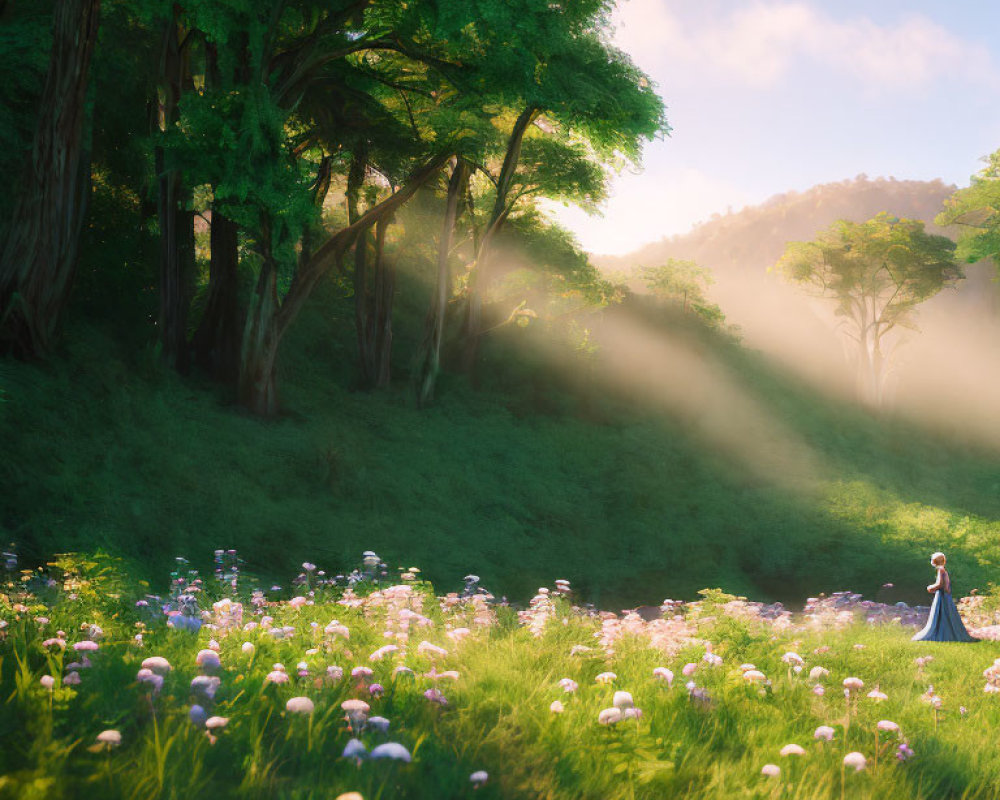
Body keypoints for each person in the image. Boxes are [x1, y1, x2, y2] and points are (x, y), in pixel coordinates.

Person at [911, 552, 977, 642]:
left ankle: (942, 634)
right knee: (947, 614)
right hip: (945, 595)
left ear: (934, 562)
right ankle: (949, 633)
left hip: (941, 595)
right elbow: (946, 586)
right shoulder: (943, 570)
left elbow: (940, 584)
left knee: (941, 614)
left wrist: (931, 588)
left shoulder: (940, 570)